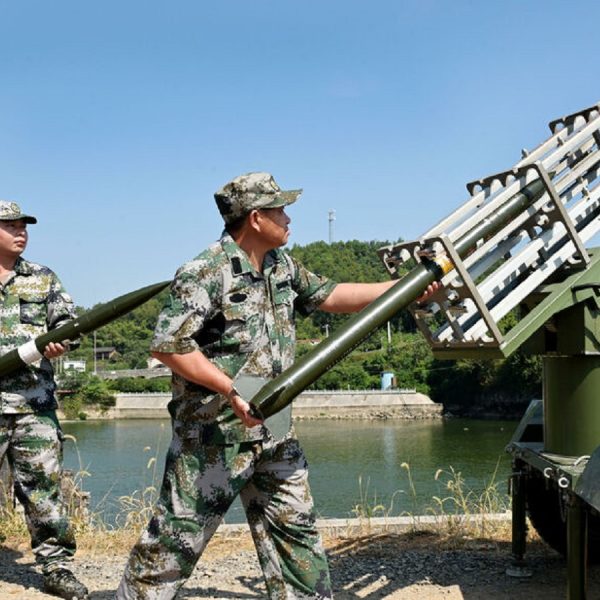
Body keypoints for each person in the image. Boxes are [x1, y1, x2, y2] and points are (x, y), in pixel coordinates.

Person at [117, 172, 401, 600]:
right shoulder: (206, 271)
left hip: (274, 430)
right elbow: (169, 346)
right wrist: (229, 389)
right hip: (215, 436)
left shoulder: (280, 265)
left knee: (296, 536)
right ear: (254, 218)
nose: (288, 218)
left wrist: (402, 291)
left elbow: (330, 295)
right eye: (280, 210)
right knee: (175, 542)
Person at [0, 201, 88, 600]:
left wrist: (61, 343)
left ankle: (56, 567)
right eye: (11, 226)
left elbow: (69, 327)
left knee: (43, 490)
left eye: (24, 226)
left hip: (33, 405)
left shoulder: (42, 278)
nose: (21, 233)